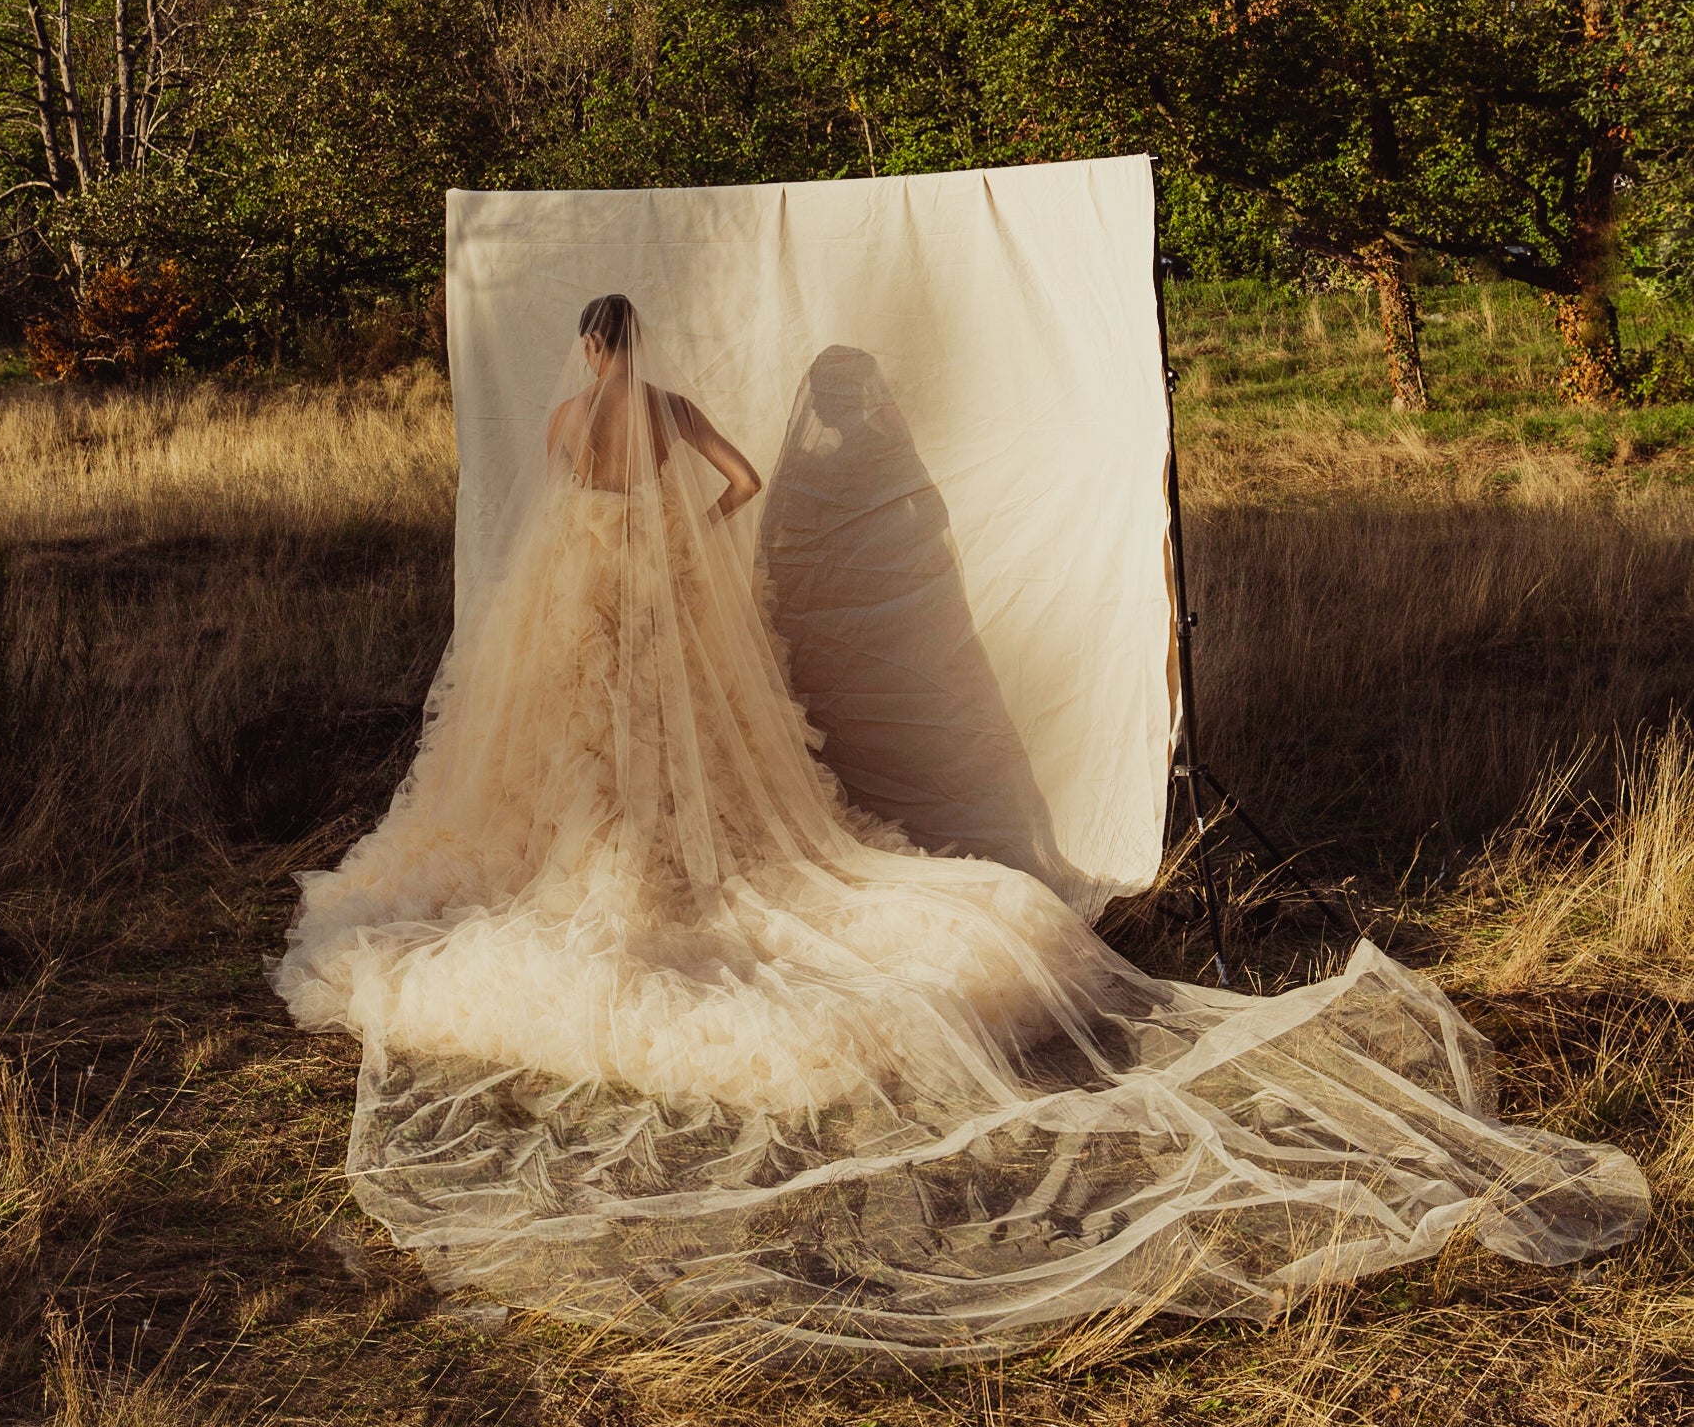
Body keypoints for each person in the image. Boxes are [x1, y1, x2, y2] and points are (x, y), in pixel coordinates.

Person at [275, 296, 1647, 1362]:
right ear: (640, 344)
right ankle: (662, 867)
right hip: (662, 599)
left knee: (582, 755)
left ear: (587, 343)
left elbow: (551, 514)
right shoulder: (673, 404)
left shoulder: (574, 422)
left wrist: (621, 527)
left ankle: (618, 867)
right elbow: (741, 483)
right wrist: (691, 525)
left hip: (584, 597)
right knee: (685, 767)